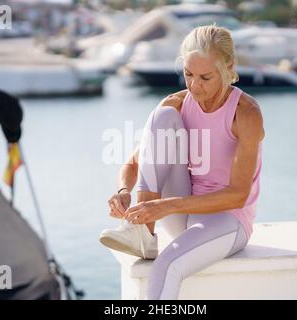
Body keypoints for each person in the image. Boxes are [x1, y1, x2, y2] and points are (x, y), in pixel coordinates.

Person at [100, 25, 264, 300]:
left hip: (228, 221)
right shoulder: (176, 104)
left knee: (168, 264)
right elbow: (132, 164)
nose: (194, 85)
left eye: (205, 77)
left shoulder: (246, 113)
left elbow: (238, 195)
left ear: (229, 67)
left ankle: (147, 225)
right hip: (183, 214)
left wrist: (163, 206)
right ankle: (142, 233)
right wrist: (123, 192)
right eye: (188, 74)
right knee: (162, 117)